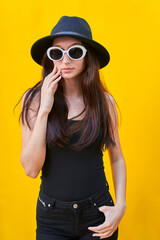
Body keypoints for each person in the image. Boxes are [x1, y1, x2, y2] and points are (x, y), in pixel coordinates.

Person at [19, 16, 126, 240]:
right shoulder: (34, 100)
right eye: (57, 53)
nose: (65, 60)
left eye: (75, 52)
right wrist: (44, 111)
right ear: (50, 59)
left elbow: (116, 158)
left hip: (98, 214)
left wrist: (120, 206)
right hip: (52, 218)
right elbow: (30, 169)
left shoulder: (104, 102)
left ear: (88, 57)